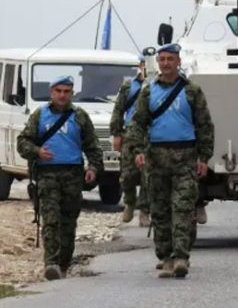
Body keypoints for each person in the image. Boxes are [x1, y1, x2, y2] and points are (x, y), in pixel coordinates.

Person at [125, 43, 214, 279]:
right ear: (158, 62)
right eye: (162, 59)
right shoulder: (148, 92)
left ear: (178, 62)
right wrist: (137, 150)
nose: (166, 63)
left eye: (170, 59)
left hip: (185, 157)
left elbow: (205, 125)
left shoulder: (192, 91)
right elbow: (137, 123)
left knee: (183, 208)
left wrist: (204, 156)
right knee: (160, 210)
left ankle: (181, 256)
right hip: (157, 158)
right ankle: (166, 258)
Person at [16, 76, 103, 281]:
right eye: (58, 91)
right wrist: (37, 151)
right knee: (50, 219)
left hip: (72, 175)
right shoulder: (40, 115)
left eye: (66, 91)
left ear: (72, 93)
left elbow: (92, 145)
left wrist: (93, 167)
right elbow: (22, 142)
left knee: (68, 222)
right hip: (47, 175)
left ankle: (63, 264)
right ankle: (51, 263)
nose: (62, 95)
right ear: (51, 92)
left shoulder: (79, 116)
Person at [110, 55, 149, 226]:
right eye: (144, 64)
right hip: (130, 135)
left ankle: (145, 211)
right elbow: (118, 110)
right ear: (140, 65)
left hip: (151, 135)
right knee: (127, 175)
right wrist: (116, 133)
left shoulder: (158, 86)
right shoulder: (129, 86)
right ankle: (130, 202)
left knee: (148, 175)